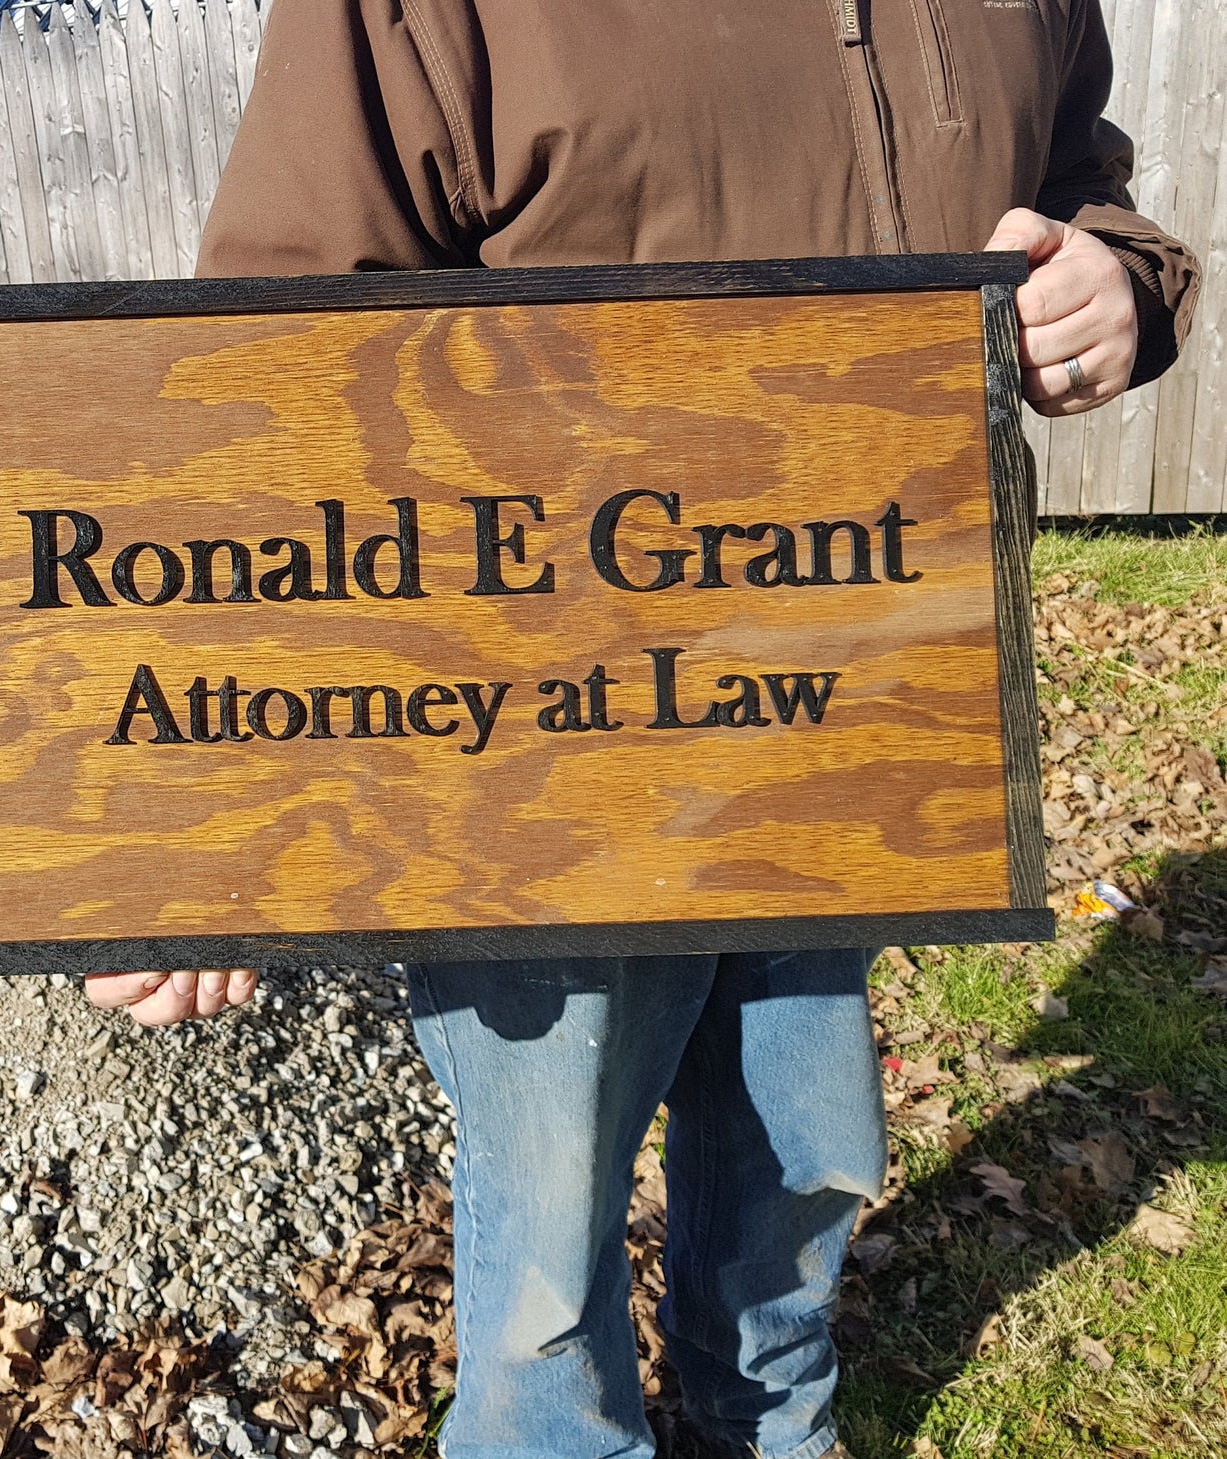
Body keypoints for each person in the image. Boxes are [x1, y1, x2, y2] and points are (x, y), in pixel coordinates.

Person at [87, 3, 1199, 1456]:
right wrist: (218, 803)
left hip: (865, 695)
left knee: (800, 1151)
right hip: (540, 726)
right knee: (548, 1209)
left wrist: (1118, 281)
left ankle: (773, 1429)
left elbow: (1072, 182)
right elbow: (276, 359)